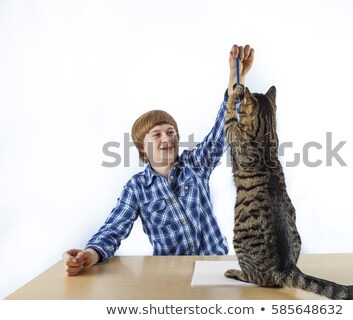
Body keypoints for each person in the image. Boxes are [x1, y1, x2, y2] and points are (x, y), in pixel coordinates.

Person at [63, 44, 255, 276]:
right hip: (171, 275)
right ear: (142, 147)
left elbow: (222, 128)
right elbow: (113, 229)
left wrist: (236, 78)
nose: (167, 137)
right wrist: (90, 254)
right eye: (157, 134)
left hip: (216, 267)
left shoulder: (196, 165)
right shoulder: (136, 188)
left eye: (171, 131)